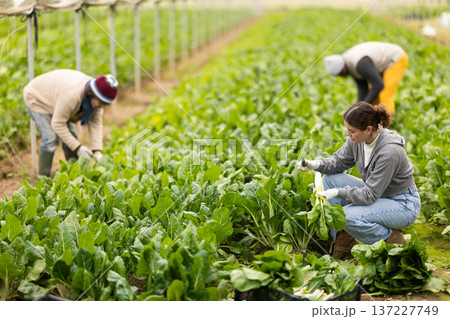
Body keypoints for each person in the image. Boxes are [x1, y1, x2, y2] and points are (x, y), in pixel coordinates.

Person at [298, 101, 420, 259]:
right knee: (330, 179)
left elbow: (369, 195)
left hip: (402, 203)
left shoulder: (389, 151)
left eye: (351, 131)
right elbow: (338, 162)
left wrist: (336, 193)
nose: (348, 135)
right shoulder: (358, 140)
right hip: (378, 192)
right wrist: (314, 164)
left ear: (369, 129)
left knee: (348, 216)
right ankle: (344, 244)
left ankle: (393, 244)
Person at [23, 69, 119, 177]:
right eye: (101, 103)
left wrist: (97, 151)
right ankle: (42, 178)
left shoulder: (98, 96)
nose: (102, 106)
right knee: (51, 139)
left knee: (72, 136)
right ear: (91, 94)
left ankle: (74, 173)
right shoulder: (71, 96)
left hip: (57, 99)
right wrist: (78, 148)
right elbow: (58, 124)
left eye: (105, 104)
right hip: (37, 97)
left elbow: (95, 124)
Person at [324, 42, 408, 115]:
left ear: (342, 66)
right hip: (382, 64)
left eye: (341, 73)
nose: (342, 76)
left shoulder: (360, 64)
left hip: (396, 58)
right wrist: (357, 108)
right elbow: (363, 88)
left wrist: (362, 107)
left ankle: (388, 123)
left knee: (385, 93)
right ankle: (376, 123)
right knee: (373, 96)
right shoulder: (349, 65)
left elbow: (378, 85)